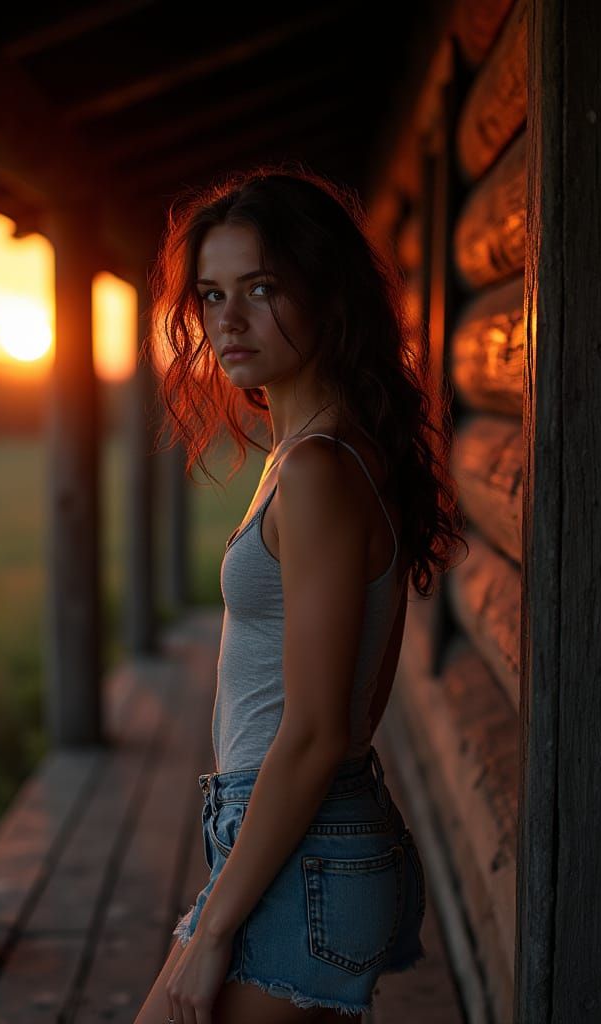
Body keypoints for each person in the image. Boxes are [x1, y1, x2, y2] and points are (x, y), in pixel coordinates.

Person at [133, 165, 466, 1024]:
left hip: (305, 836)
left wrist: (207, 933)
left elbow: (318, 731)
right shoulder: (310, 455)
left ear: (328, 295)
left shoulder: (319, 470)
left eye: (261, 288)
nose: (227, 320)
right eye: (211, 294)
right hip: (299, 833)